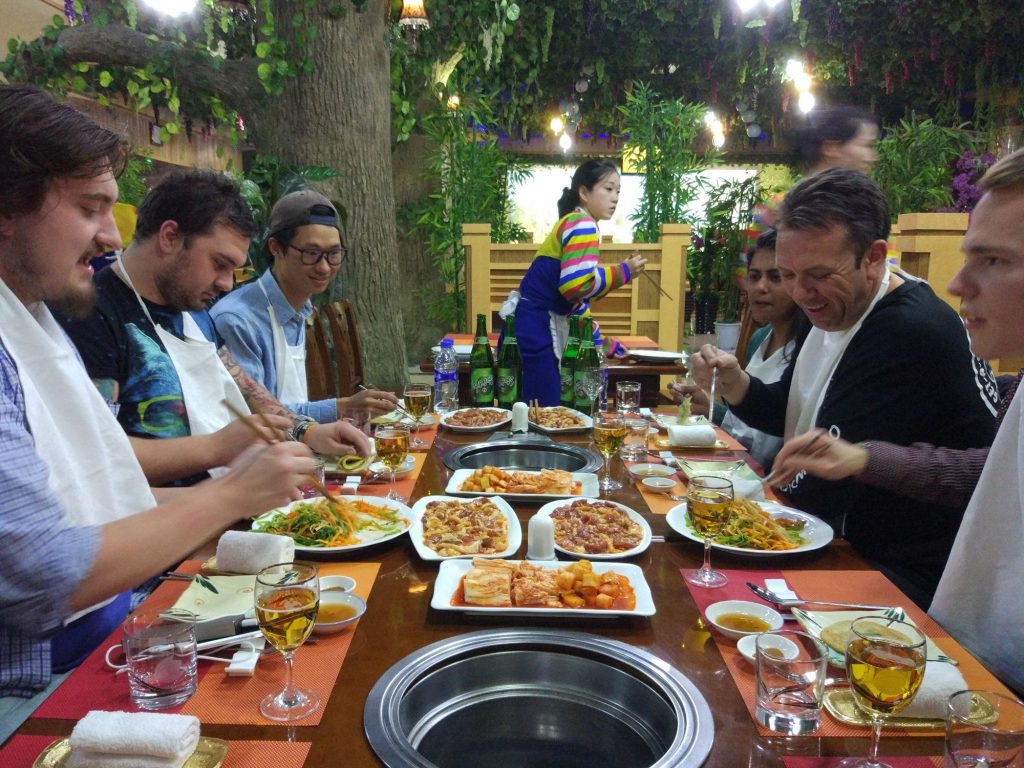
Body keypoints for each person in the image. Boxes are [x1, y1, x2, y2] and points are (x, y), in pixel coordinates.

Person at [0, 86, 314, 731]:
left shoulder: (57, 320)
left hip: (128, 614)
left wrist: (298, 442)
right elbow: (45, 577)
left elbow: (101, 492)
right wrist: (228, 492)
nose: (110, 235)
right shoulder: (86, 312)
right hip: (41, 682)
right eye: (90, 208)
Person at [689, 168, 998, 608]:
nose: (800, 292)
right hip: (842, 541)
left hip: (901, 574)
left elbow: (822, 479)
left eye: (818, 274)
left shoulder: (905, 331)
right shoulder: (833, 307)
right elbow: (797, 414)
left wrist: (727, 507)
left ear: (874, 257)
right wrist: (736, 383)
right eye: (788, 274)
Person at [58, 169, 369, 487]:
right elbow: (95, 457)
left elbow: (244, 386)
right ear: (169, 237)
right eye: (220, 264)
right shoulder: (89, 315)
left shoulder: (194, 309)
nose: (226, 284)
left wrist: (308, 430)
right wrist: (216, 450)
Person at [210, 189, 397, 422]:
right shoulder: (237, 320)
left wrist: (345, 408)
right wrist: (342, 407)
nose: (324, 267)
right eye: (311, 253)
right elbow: (255, 418)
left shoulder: (300, 307)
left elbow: (284, 406)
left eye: (333, 254)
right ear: (276, 248)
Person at [507, 159, 647, 405]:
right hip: (540, 329)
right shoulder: (583, 225)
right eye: (608, 189)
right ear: (584, 192)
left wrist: (602, 342)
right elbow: (575, 286)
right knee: (546, 412)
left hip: (533, 325)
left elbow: (576, 303)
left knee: (536, 409)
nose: (615, 198)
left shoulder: (574, 221)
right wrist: (623, 272)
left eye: (618, 191)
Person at [670, 229, 809, 468]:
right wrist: (710, 404)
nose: (760, 287)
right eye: (754, 276)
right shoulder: (760, 338)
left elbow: (781, 424)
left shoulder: (809, 346)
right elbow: (749, 430)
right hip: (735, 467)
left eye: (776, 277)